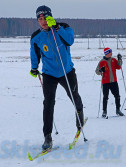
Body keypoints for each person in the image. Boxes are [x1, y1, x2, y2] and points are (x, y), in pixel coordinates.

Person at [29, 5, 84, 151]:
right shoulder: (36, 37)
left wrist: (57, 27)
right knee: (48, 103)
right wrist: (34, 68)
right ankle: (47, 137)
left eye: (45, 18)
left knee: (74, 96)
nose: (43, 21)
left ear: (50, 17)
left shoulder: (64, 28)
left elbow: (70, 41)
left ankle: (80, 116)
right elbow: (34, 53)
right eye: (40, 19)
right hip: (49, 73)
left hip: (67, 71)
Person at [95, 48, 124, 117]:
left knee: (117, 96)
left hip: (114, 81)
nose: (111, 54)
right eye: (110, 52)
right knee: (105, 97)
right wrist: (101, 70)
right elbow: (97, 72)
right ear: (106, 53)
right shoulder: (101, 61)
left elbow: (119, 67)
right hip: (105, 82)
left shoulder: (113, 60)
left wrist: (120, 59)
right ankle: (104, 111)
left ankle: (118, 110)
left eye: (111, 52)